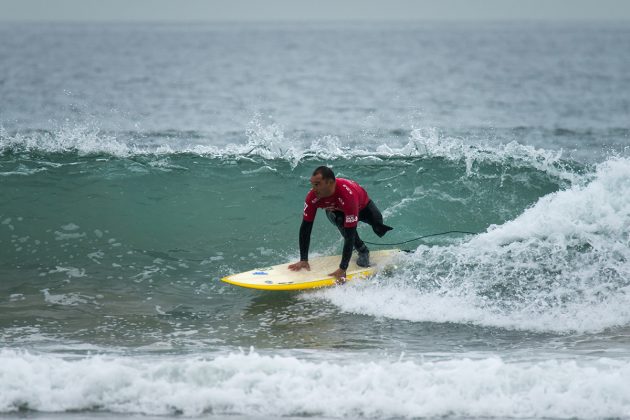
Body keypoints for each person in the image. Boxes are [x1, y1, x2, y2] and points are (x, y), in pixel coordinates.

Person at [288, 166, 393, 283]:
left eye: (317, 184)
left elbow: (350, 235)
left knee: (379, 227)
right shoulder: (312, 197)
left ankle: (376, 231)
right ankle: (363, 251)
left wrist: (342, 268)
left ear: (330, 183)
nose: (314, 189)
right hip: (336, 212)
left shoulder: (347, 195)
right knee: (341, 221)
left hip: (363, 207)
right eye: (312, 184)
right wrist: (303, 259)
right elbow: (306, 228)